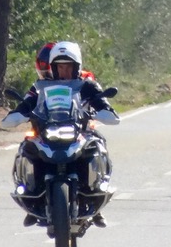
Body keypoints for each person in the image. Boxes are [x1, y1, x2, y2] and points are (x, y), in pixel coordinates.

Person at [7, 41, 118, 227]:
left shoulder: (87, 84)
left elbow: (103, 103)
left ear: (77, 67)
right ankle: (32, 196)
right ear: (53, 68)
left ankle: (98, 197)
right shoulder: (40, 87)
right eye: (60, 66)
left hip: (80, 131)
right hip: (48, 130)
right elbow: (26, 103)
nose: (64, 71)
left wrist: (104, 111)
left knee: (99, 143)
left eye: (69, 66)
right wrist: (17, 114)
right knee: (26, 146)